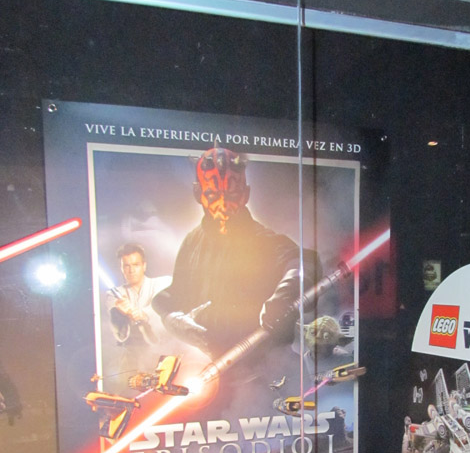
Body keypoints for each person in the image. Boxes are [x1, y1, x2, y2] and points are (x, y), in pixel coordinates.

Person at [153, 148, 320, 372]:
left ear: (245, 194)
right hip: (209, 370)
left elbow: (303, 263)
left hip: (263, 370)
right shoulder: (192, 242)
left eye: (232, 196)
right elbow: (174, 294)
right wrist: (171, 317)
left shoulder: (262, 240)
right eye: (213, 195)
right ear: (197, 192)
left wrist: (285, 295)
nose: (223, 205)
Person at [105, 243, 172, 377]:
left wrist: (144, 314)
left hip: (165, 354)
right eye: (127, 266)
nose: (131, 270)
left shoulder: (164, 283)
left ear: (144, 266)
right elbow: (118, 331)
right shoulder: (114, 294)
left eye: (136, 265)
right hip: (133, 361)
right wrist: (121, 313)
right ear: (122, 268)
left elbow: (166, 309)